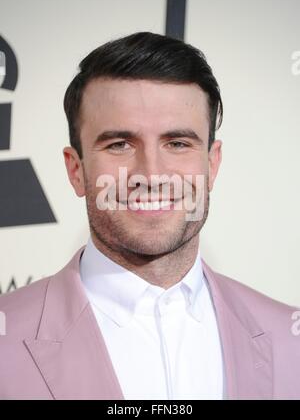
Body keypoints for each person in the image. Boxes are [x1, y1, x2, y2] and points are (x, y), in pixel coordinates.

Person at [0, 32, 299, 400]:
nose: (151, 173)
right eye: (120, 144)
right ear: (76, 170)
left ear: (212, 163)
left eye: (177, 143)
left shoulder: (290, 338)